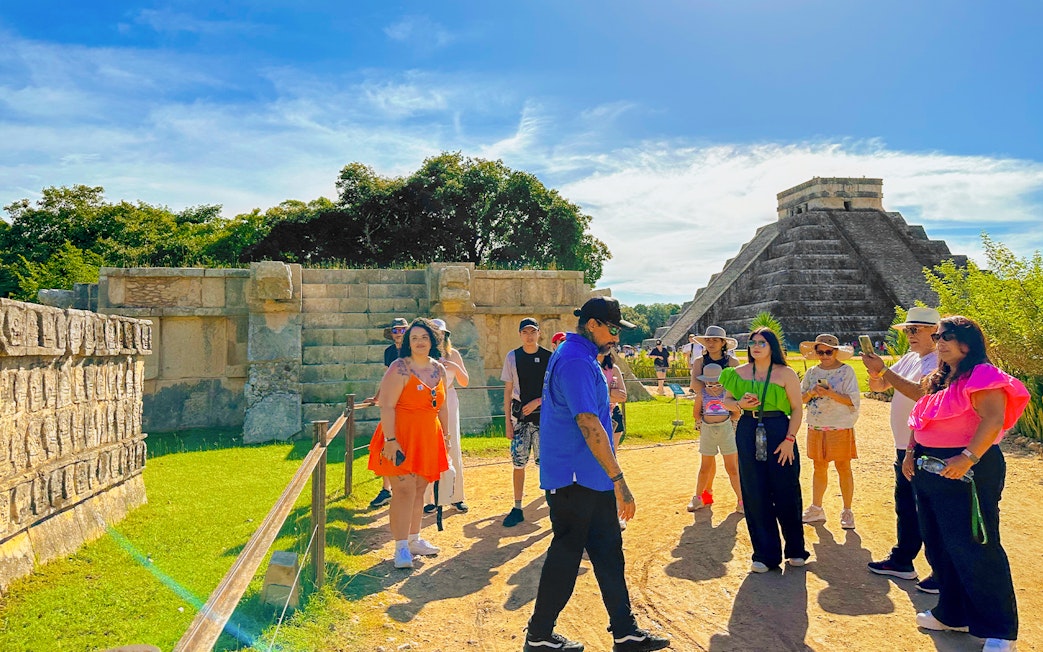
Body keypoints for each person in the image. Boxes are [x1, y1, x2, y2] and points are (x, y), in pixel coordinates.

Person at [524, 297, 670, 652]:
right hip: (577, 476)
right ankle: (539, 635)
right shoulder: (575, 360)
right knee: (567, 552)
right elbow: (588, 422)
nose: (617, 337)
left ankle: (624, 630)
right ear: (593, 324)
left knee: (607, 551)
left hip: (585, 475)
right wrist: (620, 481)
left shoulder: (579, 356)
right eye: (614, 329)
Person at [905, 316, 1028, 652]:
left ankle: (999, 629)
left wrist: (968, 457)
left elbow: (993, 419)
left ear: (968, 342)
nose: (940, 341)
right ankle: (952, 613)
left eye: (948, 336)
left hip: (967, 469)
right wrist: (911, 453)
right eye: (937, 336)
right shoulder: (940, 378)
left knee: (976, 547)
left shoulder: (983, 375)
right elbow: (921, 420)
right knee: (940, 545)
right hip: (930, 468)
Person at [862, 306, 941, 592]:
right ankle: (903, 559)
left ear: (935, 331)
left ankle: (940, 571)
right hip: (903, 446)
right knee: (906, 505)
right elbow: (882, 386)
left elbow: (921, 393)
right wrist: (874, 373)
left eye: (916, 329)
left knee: (928, 510)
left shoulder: (939, 361)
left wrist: (883, 370)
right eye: (908, 330)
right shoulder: (909, 357)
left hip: (926, 445)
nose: (910, 335)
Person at [719, 327, 808, 573]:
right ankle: (765, 553)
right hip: (748, 428)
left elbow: (797, 409)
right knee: (754, 490)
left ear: (772, 347)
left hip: (779, 428)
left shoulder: (785, 373)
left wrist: (790, 439)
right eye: (752, 342)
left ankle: (795, 549)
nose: (756, 346)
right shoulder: (737, 373)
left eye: (762, 342)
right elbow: (726, 402)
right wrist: (738, 404)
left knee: (786, 489)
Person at [366, 318, 451, 569]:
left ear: (432, 340)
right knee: (403, 491)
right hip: (400, 435)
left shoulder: (439, 369)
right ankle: (400, 547)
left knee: (419, 490)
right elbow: (387, 406)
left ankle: (414, 539)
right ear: (408, 342)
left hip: (428, 435)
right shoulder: (399, 368)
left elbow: (442, 406)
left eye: (424, 337)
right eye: (414, 338)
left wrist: (445, 437)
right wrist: (391, 441)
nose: (419, 342)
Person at [798, 334, 861, 529]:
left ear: (836, 352)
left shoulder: (846, 371)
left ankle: (847, 510)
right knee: (819, 467)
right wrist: (812, 392)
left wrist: (830, 393)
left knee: (843, 467)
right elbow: (801, 399)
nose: (824, 355)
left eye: (829, 351)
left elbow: (852, 400)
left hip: (839, 425)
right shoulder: (811, 373)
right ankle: (817, 507)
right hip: (817, 424)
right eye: (820, 352)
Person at [500, 317, 551, 528]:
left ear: (539, 333)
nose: (529, 336)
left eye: (533, 332)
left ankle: (553, 503)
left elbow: (555, 388)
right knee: (518, 463)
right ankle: (518, 506)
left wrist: (538, 401)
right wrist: (507, 422)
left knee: (545, 463)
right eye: (525, 332)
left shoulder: (549, 356)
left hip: (544, 417)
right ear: (520, 334)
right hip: (520, 416)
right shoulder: (513, 357)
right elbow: (508, 391)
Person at [688, 326, 742, 510]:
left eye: (715, 340)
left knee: (731, 463)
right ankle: (705, 495)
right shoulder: (699, 361)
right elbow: (694, 384)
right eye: (708, 340)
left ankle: (740, 499)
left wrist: (724, 391)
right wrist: (709, 388)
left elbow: (740, 386)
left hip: (729, 416)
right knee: (707, 462)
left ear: (723, 343)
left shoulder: (732, 362)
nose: (711, 343)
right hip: (708, 412)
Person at [423, 319, 470, 513]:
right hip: (428, 400)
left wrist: (452, 365)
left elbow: (465, 381)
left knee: (453, 446)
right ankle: (429, 499)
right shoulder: (423, 355)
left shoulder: (454, 354)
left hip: (449, 398)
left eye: (442, 334)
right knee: (429, 447)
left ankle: (455, 496)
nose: (439, 337)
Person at [368, 316, 410, 510]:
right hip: (392, 404)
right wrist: (377, 397)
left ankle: (412, 490)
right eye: (395, 330)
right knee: (385, 444)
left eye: (402, 330)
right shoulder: (390, 352)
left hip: (410, 404)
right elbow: (387, 378)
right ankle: (387, 489)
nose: (398, 334)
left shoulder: (414, 349)